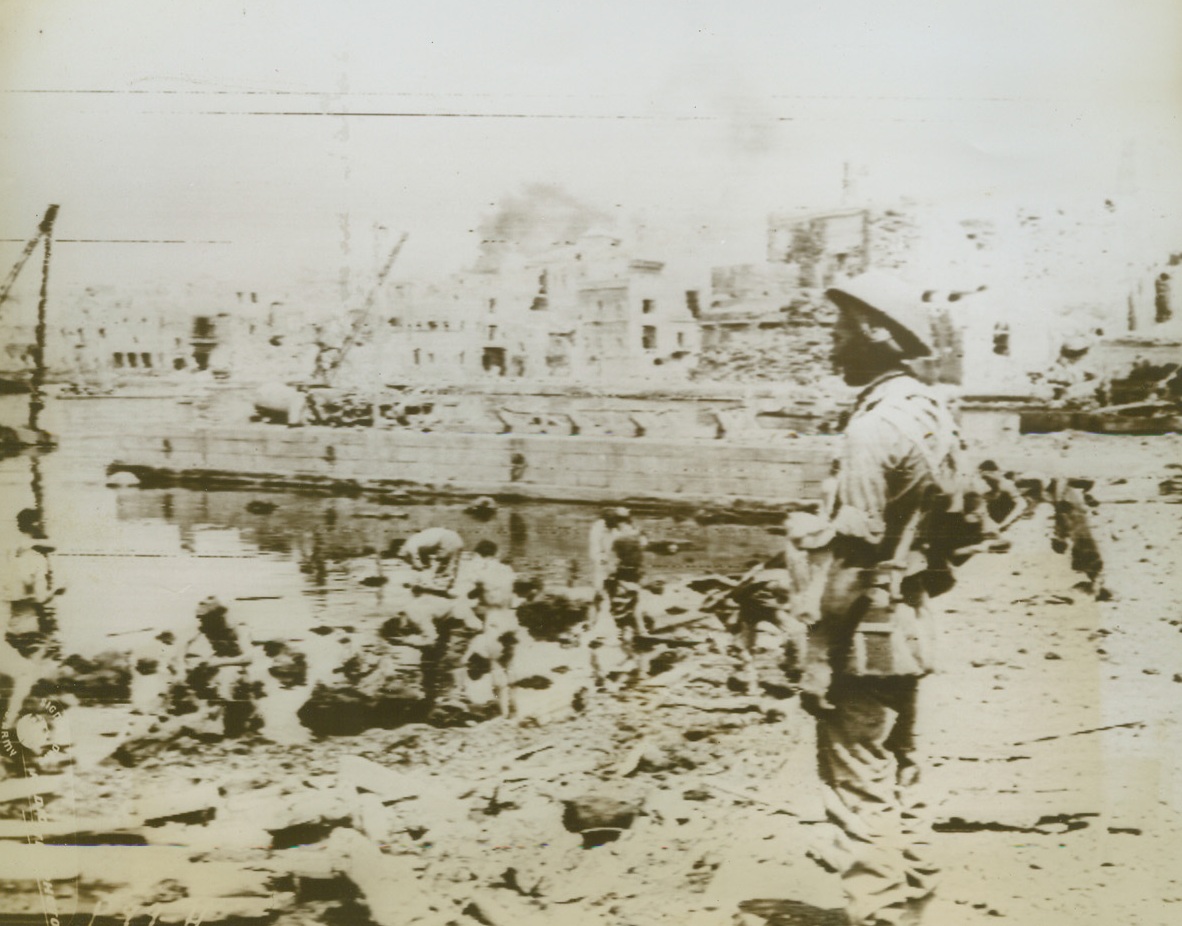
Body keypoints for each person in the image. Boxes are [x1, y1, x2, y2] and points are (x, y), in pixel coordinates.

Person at [797, 272, 979, 926]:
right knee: (902, 770)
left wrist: (818, 655)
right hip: (909, 623)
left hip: (862, 636)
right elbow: (960, 524)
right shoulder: (931, 413)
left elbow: (853, 553)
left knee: (857, 785)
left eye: (839, 331)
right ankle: (916, 908)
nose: (830, 345)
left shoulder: (871, 429)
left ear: (875, 334)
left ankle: (877, 915)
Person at [397, 527, 465, 591]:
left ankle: (441, 587)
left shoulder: (410, 545)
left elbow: (418, 564)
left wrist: (419, 567)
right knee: (448, 565)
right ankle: (444, 585)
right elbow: (424, 562)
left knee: (444, 564)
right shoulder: (417, 541)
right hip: (452, 538)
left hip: (449, 540)